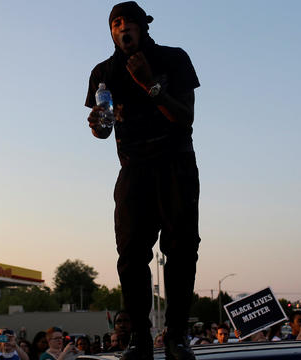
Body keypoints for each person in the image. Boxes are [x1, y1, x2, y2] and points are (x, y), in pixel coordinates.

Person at [85, 2, 201, 360]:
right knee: (131, 255)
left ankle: (178, 335)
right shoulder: (103, 73)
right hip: (133, 170)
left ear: (143, 27)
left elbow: (185, 118)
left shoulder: (173, 58)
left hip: (175, 164)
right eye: (116, 23)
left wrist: (150, 84)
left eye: (129, 22)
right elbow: (103, 131)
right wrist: (97, 125)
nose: (123, 28)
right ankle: (140, 338)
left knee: (180, 250)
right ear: (111, 31)